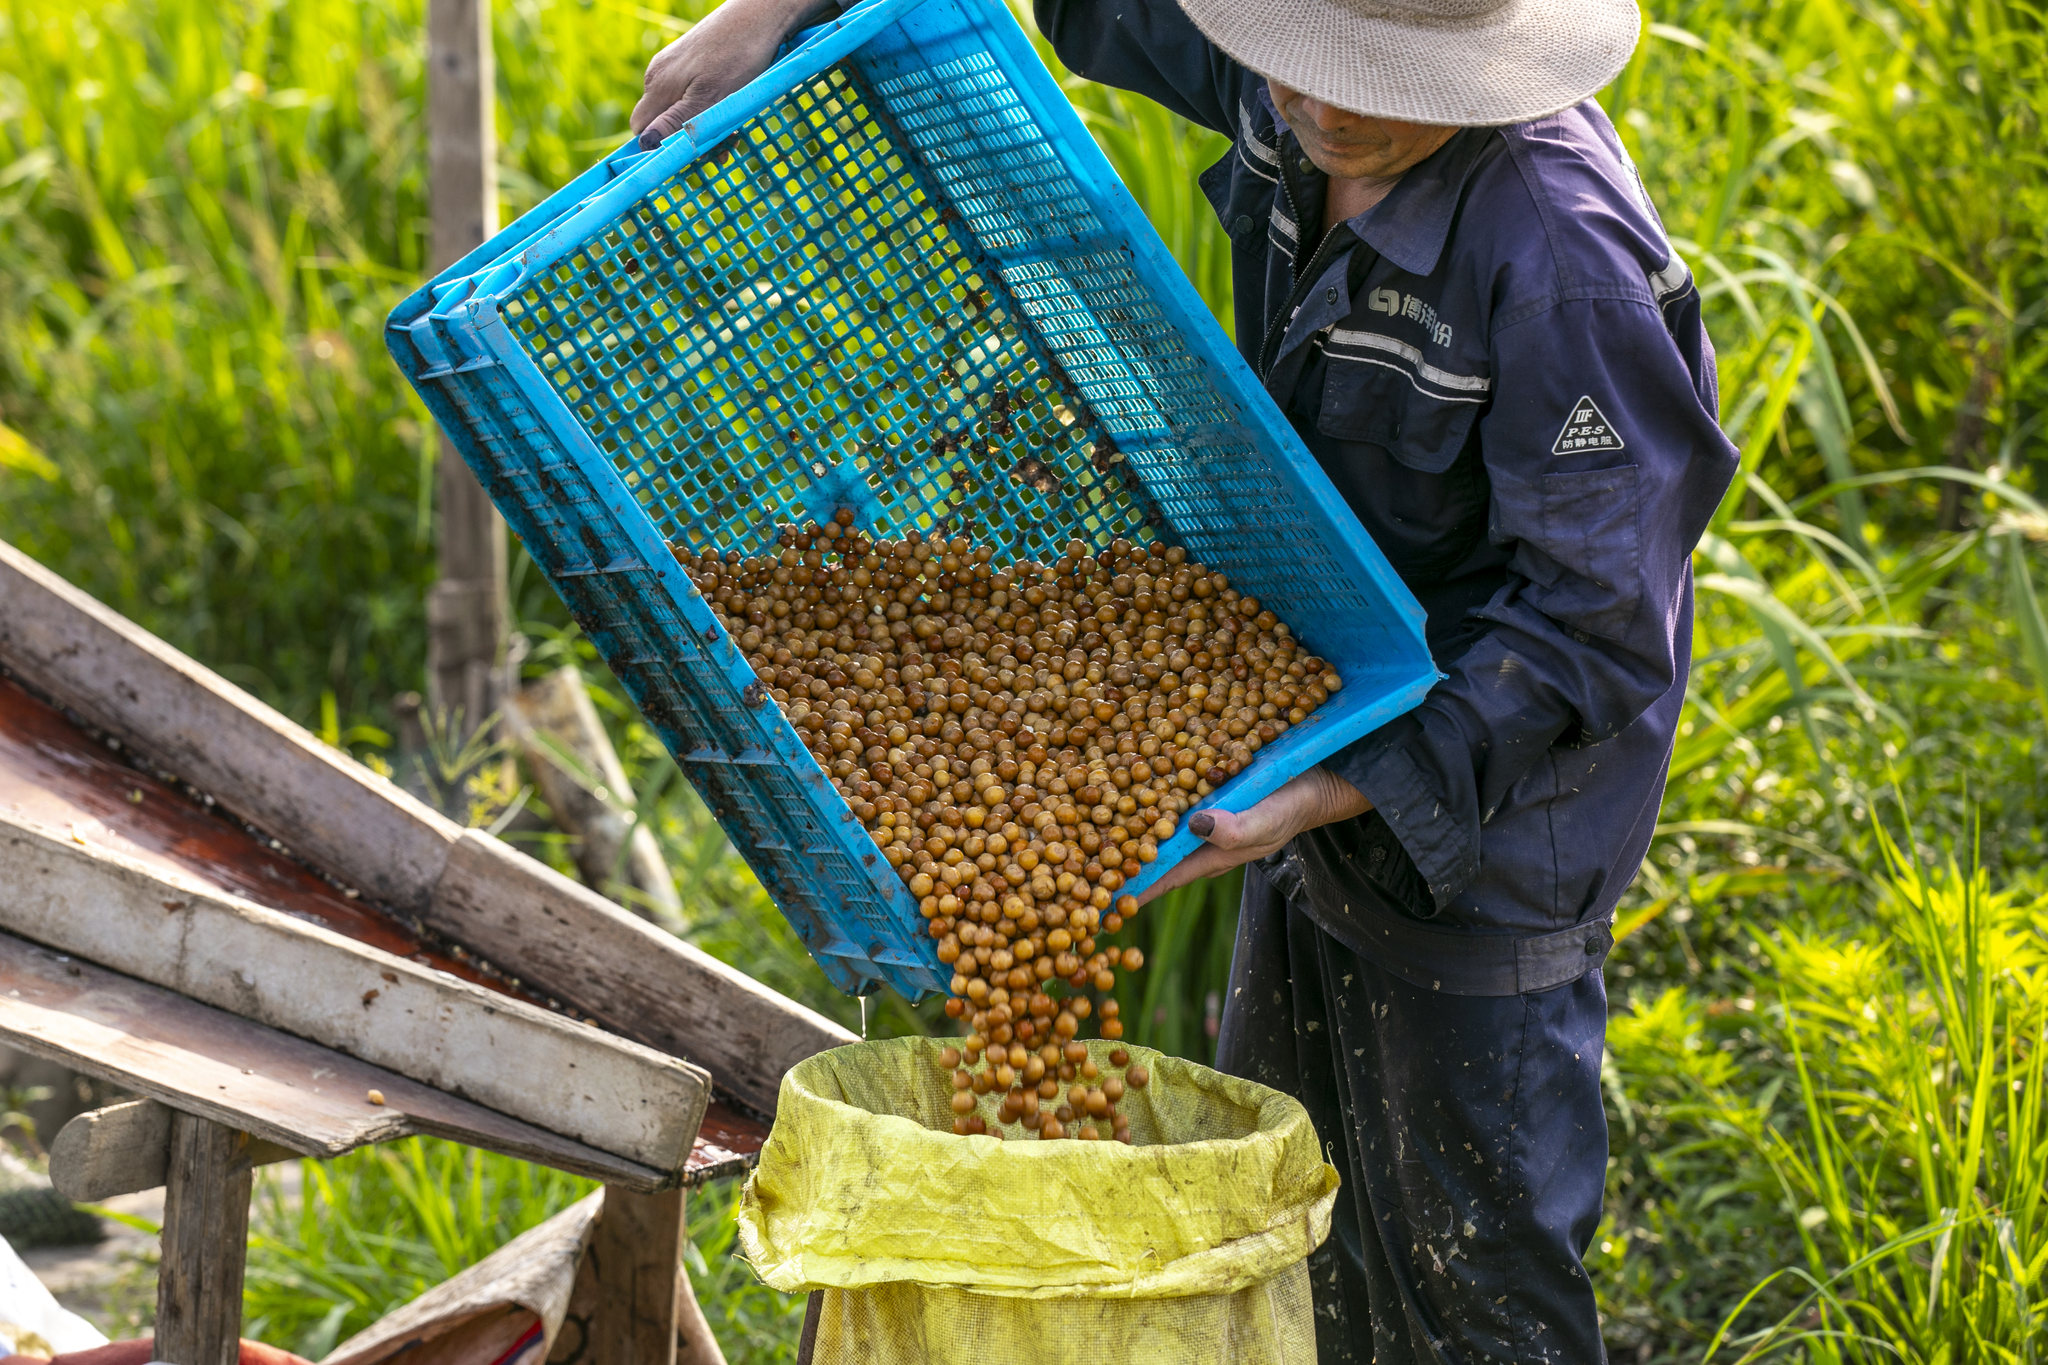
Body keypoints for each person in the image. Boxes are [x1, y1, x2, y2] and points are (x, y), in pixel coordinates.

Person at [636, 0, 1739, 1358]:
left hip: (1489, 841)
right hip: (1309, 742)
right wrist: (772, 10)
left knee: (1473, 1282)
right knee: (1298, 1242)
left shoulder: (1562, 259)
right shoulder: (1295, 73)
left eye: (1373, 86)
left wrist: (1334, 786)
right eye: (1303, 64)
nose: (1321, 109)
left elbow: (1597, 627)